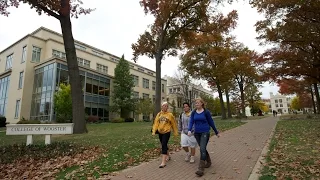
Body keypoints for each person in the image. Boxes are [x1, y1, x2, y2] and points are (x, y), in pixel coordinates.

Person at [188, 98, 220, 176]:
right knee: (203, 148)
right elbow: (191, 121)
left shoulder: (206, 112)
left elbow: (211, 122)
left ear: (202, 103)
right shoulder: (194, 112)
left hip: (205, 132)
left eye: (198, 103)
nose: (196, 104)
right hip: (197, 133)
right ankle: (208, 162)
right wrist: (189, 129)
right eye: (195, 103)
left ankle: (201, 168)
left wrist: (216, 132)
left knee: (202, 148)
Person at [152, 102, 178, 168]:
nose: (165, 107)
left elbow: (174, 124)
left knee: (163, 145)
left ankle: (163, 162)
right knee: (164, 144)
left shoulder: (170, 115)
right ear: (162, 107)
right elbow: (156, 123)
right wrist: (154, 131)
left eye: (166, 106)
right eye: (164, 106)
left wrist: (175, 132)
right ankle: (168, 156)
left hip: (167, 132)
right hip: (160, 132)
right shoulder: (159, 114)